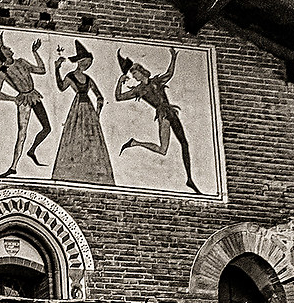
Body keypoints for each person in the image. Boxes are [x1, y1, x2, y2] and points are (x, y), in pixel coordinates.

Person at [115, 49, 202, 192]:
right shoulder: (139, 90)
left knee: (184, 143)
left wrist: (173, 58)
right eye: (132, 74)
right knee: (163, 150)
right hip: (163, 116)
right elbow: (119, 97)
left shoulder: (156, 81)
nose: (134, 76)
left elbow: (169, 73)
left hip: (171, 112)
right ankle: (135, 142)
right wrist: (119, 81)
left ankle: (189, 179)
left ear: (141, 71)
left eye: (135, 73)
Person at [49, 41, 113, 187]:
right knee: (75, 137)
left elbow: (100, 97)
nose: (86, 65)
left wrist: (97, 113)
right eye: (84, 62)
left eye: (88, 63)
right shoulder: (71, 76)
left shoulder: (89, 79)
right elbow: (61, 87)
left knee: (91, 140)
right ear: (79, 62)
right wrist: (57, 69)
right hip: (78, 108)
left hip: (88, 109)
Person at [0, 33, 52, 175]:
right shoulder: (1, 72)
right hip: (23, 100)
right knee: (22, 134)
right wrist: (13, 99)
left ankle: (32, 150)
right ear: (1, 54)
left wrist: (35, 53)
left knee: (47, 128)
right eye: (5, 48)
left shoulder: (21, 62)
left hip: (33, 95)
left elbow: (41, 70)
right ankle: (13, 167)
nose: (9, 48)